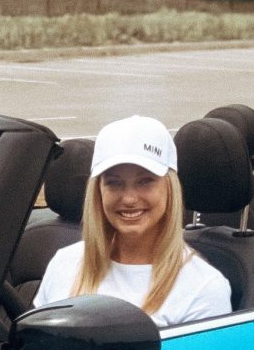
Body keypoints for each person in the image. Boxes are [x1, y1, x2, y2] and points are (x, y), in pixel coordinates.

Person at [35, 114, 230, 327]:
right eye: (114, 183)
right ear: (98, 191)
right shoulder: (64, 264)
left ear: (169, 187)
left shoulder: (204, 287)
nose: (129, 199)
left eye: (145, 181)